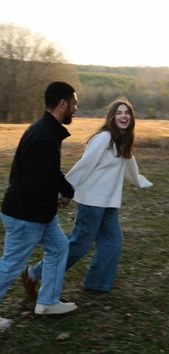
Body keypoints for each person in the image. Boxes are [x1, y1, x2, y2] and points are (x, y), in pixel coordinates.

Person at [22, 97, 153, 296]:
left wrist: (140, 181)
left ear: (131, 118)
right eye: (119, 113)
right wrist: (66, 190)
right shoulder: (104, 138)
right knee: (78, 246)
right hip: (91, 202)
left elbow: (130, 165)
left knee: (113, 243)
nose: (124, 116)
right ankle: (34, 273)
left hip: (108, 203)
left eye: (127, 113)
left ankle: (95, 283)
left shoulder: (122, 140)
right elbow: (84, 165)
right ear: (112, 117)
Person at [0, 81, 79, 331]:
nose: (76, 108)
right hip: (27, 215)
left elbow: (49, 172)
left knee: (59, 247)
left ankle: (47, 302)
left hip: (38, 213)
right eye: (74, 103)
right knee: (12, 265)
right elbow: (36, 182)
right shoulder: (44, 135)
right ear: (62, 103)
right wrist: (60, 194)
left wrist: (65, 191)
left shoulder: (47, 130)